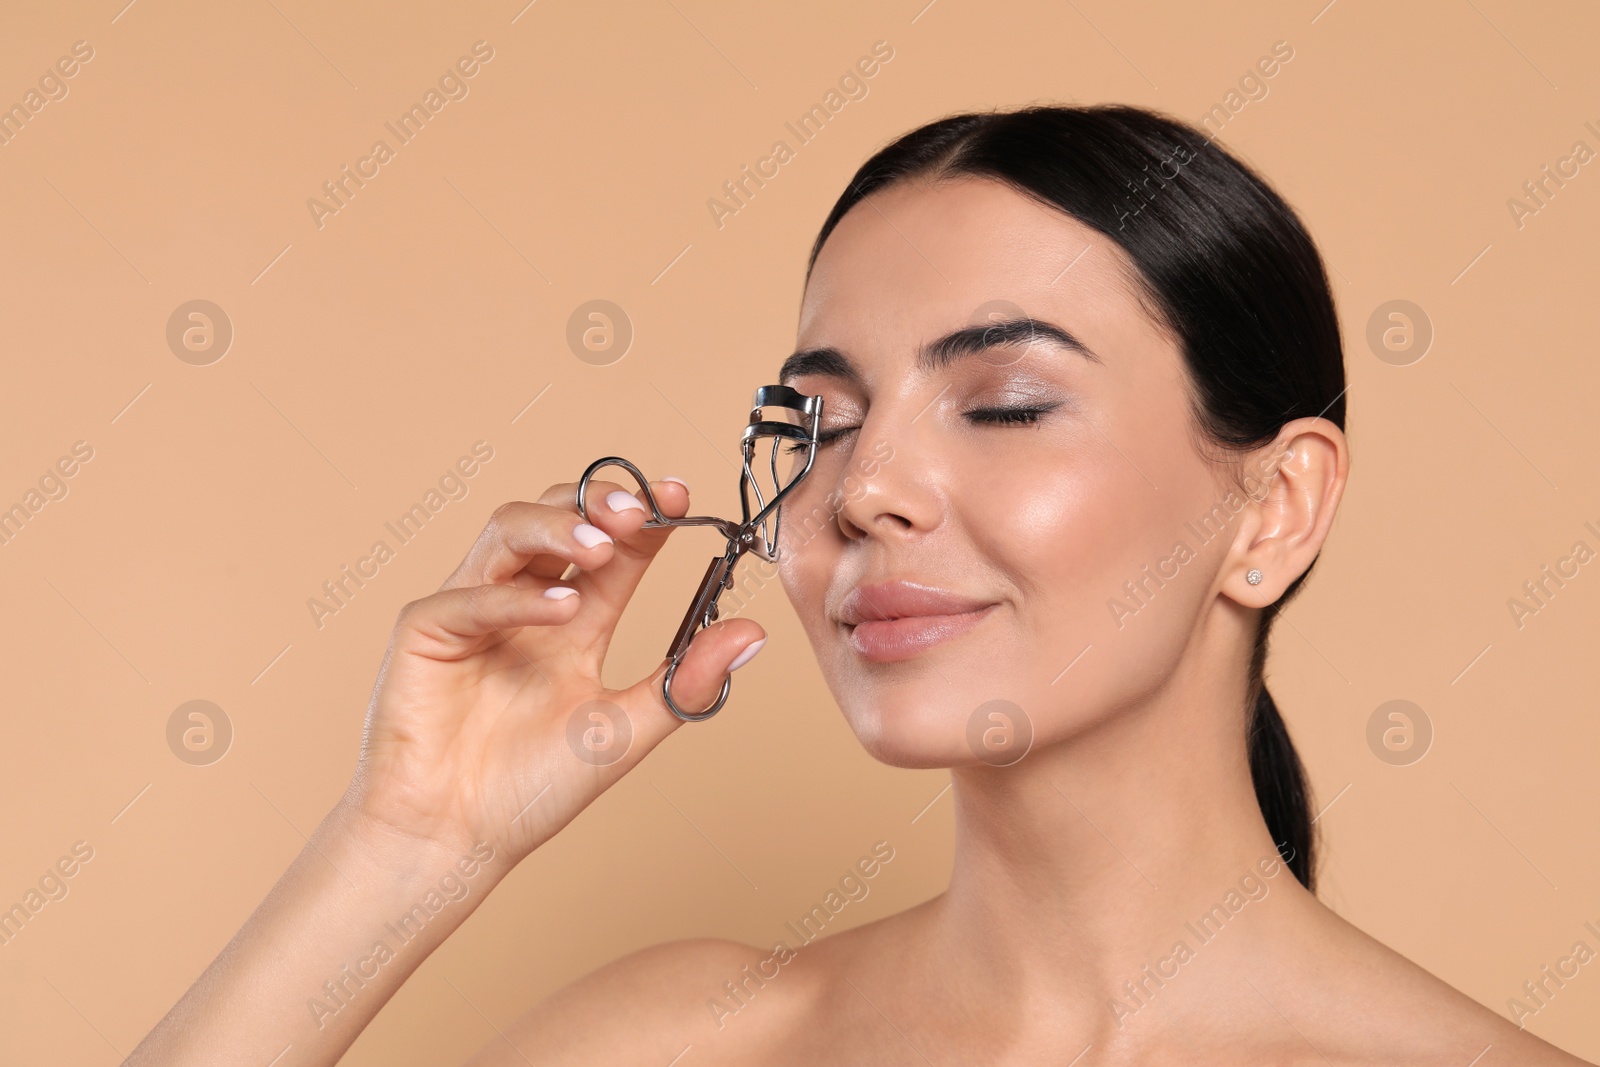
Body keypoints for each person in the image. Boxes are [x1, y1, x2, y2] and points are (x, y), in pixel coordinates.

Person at [128, 104, 1591, 1066]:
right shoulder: (678, 1042)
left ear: (1273, 508)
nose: (862, 488)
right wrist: (410, 846)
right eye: (821, 423)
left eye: (1005, 402)